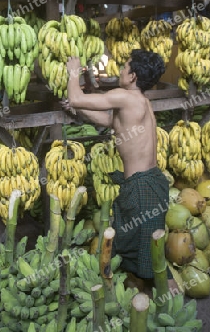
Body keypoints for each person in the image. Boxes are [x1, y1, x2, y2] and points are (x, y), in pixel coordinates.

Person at [64, 49, 177, 293]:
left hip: (141, 186)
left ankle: (164, 298)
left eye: (124, 68)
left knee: (142, 248)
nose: (120, 71)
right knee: (145, 245)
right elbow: (109, 121)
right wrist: (78, 107)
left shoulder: (125, 96)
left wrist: (73, 74)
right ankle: (153, 291)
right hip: (152, 182)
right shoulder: (140, 101)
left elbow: (76, 98)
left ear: (133, 75)